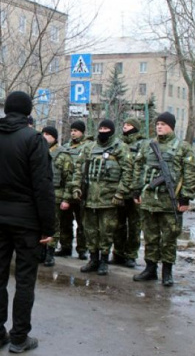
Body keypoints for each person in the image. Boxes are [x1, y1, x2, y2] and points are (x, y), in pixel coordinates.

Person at [0, 91, 55, 353]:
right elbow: (43, 186)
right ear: (28, 111)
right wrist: (48, 226)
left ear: (6, 109)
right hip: (27, 222)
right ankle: (19, 338)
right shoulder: (34, 140)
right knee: (25, 279)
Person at [132, 112, 195, 286]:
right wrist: (136, 190)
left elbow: (190, 173)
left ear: (171, 126)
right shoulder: (148, 145)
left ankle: (167, 272)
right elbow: (138, 168)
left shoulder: (182, 147)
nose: (159, 126)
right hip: (149, 200)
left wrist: (185, 198)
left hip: (170, 201)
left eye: (163, 124)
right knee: (150, 237)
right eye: (157, 124)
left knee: (169, 238)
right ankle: (150, 268)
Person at [72, 119, 132, 276]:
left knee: (106, 231)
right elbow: (78, 169)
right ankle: (93, 259)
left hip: (109, 199)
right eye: (101, 128)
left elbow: (128, 172)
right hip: (89, 198)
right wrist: (76, 188)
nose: (103, 131)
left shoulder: (120, 148)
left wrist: (120, 193)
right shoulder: (89, 148)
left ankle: (104, 260)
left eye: (106, 128)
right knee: (90, 230)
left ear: (112, 130)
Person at [112, 117, 146, 267]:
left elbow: (142, 168)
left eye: (129, 125)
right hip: (119, 190)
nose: (125, 127)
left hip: (134, 192)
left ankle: (131, 255)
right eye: (124, 124)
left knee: (134, 225)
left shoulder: (143, 144)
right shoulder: (118, 143)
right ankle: (118, 253)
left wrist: (137, 189)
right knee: (118, 224)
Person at [41, 126, 74, 267]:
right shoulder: (38, 152)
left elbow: (69, 179)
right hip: (40, 195)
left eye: (48, 134)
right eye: (43, 134)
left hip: (56, 195)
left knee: (53, 224)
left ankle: (50, 252)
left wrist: (66, 198)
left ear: (54, 137)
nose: (45, 137)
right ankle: (41, 250)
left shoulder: (63, 155)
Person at [59, 120, 90, 260]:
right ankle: (65, 246)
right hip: (65, 189)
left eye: (76, 130)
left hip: (80, 190)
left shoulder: (88, 147)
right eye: (72, 130)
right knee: (65, 220)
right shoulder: (65, 147)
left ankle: (82, 249)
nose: (73, 133)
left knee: (81, 222)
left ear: (82, 132)